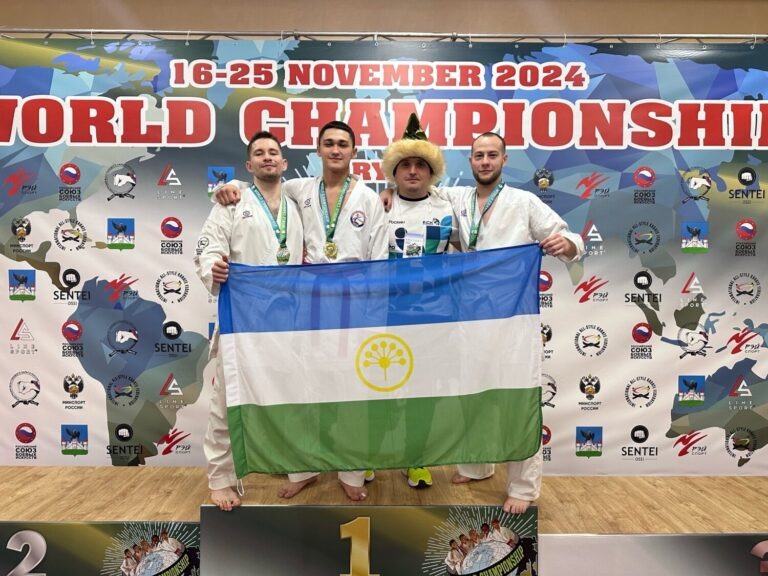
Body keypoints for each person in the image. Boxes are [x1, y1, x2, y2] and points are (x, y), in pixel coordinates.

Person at [213, 120, 388, 501]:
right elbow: (261, 187)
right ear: (318, 150)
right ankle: (302, 468)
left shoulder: (370, 199)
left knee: (351, 392)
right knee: (302, 388)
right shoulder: (300, 189)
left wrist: (373, 316)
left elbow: (380, 259)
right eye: (329, 143)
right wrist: (227, 187)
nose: (336, 150)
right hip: (305, 304)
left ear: (354, 151)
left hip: (352, 303)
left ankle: (351, 472)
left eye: (343, 144)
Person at [445, 132, 584, 514]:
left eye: (492, 155)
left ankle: (523, 486)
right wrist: (390, 194)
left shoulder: (524, 202)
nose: (485, 161)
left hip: (513, 320)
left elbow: (569, 237)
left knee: (517, 401)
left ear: (504, 159)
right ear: (470, 161)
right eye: (478, 155)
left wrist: (567, 245)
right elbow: (419, 198)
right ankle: (476, 465)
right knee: (472, 396)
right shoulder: (456, 200)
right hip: (471, 317)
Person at [195, 130, 304, 511]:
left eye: (273, 152)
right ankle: (222, 478)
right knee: (228, 400)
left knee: (294, 395)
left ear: (284, 162)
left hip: (291, 318)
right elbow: (208, 246)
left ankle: (297, 466)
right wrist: (213, 265)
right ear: (249, 164)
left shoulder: (299, 200)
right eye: (259, 153)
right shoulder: (231, 202)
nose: (267, 157)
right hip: (243, 317)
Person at [375, 113, 457, 488]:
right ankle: (367, 457)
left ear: (431, 172)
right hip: (384, 316)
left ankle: (416, 459)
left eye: (420, 165)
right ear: (393, 171)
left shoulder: (449, 206)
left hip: (432, 318)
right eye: (404, 164)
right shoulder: (377, 205)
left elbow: (475, 246)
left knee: (423, 394)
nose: (412, 171)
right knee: (377, 391)